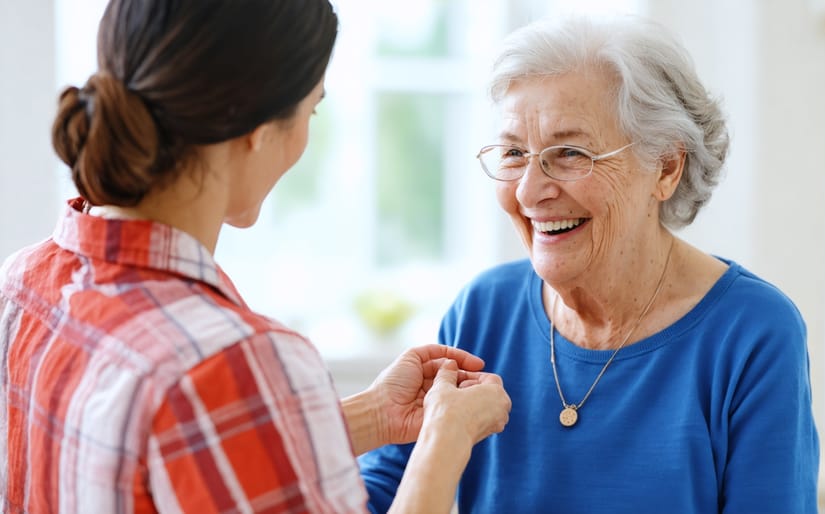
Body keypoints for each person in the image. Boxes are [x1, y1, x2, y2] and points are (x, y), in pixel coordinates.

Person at [0, 1, 512, 512]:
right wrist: (446, 440)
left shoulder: (23, 284)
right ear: (257, 127)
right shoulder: (228, 360)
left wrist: (374, 414)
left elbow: (189, 454)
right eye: (310, 109)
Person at [359, 13, 820, 514]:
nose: (530, 191)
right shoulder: (483, 311)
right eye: (514, 152)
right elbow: (367, 498)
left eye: (571, 153)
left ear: (666, 167)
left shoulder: (752, 333)